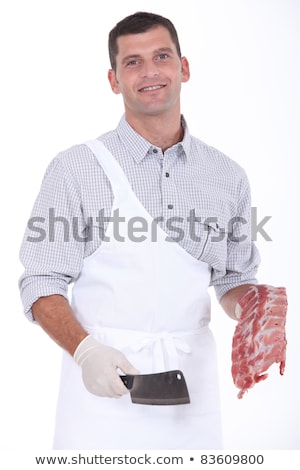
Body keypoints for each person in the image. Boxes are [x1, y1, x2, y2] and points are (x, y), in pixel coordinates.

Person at [18, 11, 286, 450]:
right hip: (102, 398)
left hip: (191, 400)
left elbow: (233, 280)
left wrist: (256, 308)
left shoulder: (226, 176)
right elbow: (42, 280)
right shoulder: (77, 169)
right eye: (133, 62)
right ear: (113, 79)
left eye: (161, 56)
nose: (150, 72)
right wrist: (86, 352)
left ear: (183, 67)